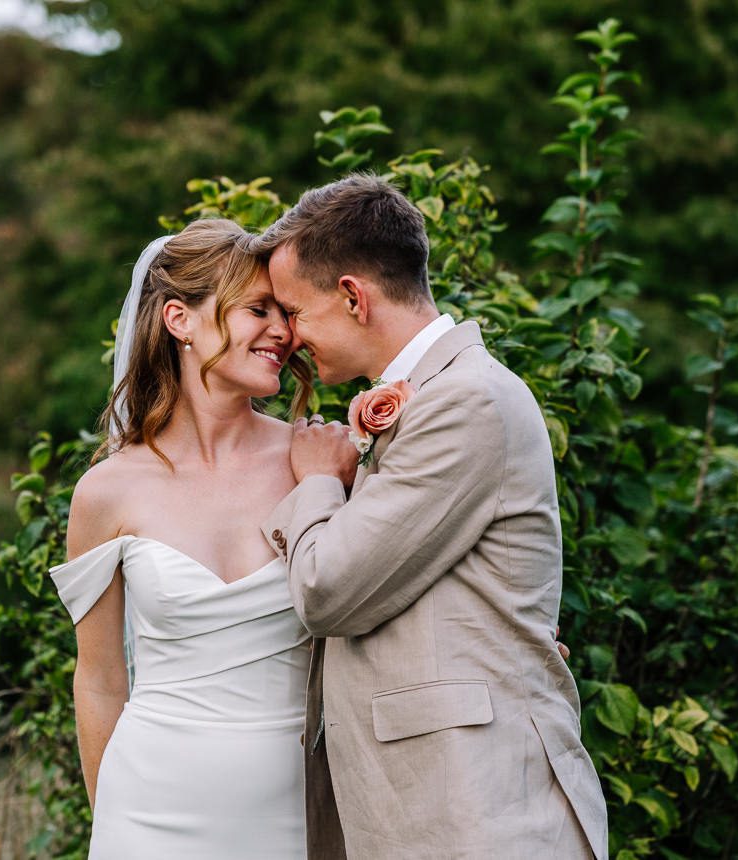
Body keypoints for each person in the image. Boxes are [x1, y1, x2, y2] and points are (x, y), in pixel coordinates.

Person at [254, 173, 609, 859]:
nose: (290, 337)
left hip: (478, 816)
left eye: (295, 312)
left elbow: (330, 590)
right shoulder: (436, 399)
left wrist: (323, 482)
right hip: (432, 809)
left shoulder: (465, 401)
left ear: (353, 296)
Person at [46, 219, 316, 857]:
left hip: (296, 805)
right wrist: (111, 822)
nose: (283, 331)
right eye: (258, 310)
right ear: (179, 319)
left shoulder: (318, 462)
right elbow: (100, 679)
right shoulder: (107, 492)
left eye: (285, 312)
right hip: (149, 809)